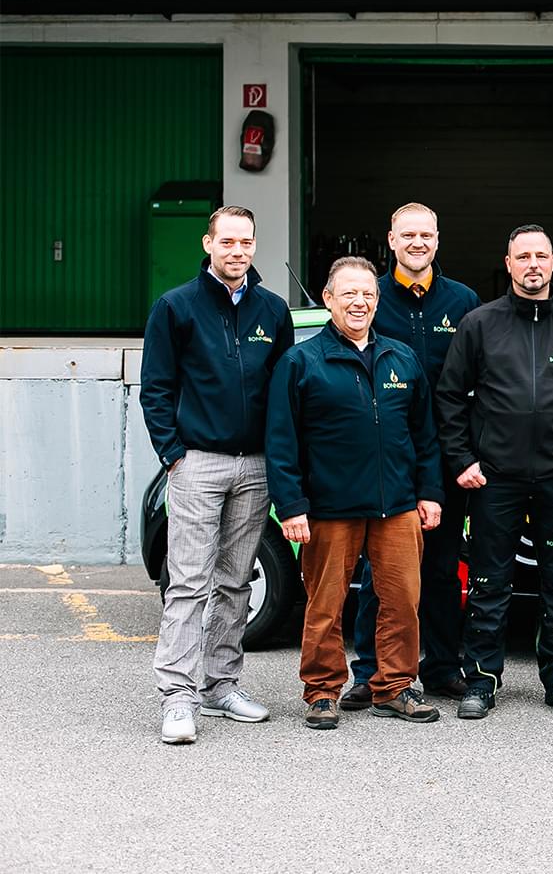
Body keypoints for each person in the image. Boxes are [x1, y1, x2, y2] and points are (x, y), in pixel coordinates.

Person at [435, 224, 553, 719]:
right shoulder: (479, 324)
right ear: (509, 264)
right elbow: (449, 397)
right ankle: (481, 682)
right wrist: (462, 460)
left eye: (541, 255)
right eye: (523, 257)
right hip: (494, 479)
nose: (533, 264)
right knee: (488, 584)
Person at [265, 256, 445, 730]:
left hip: (397, 506)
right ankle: (322, 692)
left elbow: (424, 434)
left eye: (367, 293)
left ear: (378, 300)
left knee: (402, 602)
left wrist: (429, 492)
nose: (359, 302)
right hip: (330, 509)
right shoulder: (300, 362)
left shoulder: (401, 358)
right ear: (328, 299)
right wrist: (291, 506)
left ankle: (395, 687)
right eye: (348, 293)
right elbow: (281, 441)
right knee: (325, 606)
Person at [140, 205, 294, 745]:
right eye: (227, 241)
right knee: (188, 583)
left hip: (255, 466)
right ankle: (177, 697)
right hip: (198, 462)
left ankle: (221, 686)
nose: (237, 251)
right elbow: (156, 387)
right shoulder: (176, 306)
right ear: (208, 244)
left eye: (245, 242)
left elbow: (283, 392)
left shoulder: (272, 310)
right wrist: (173, 454)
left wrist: (277, 456)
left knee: (236, 580)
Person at [341, 203, 479, 712]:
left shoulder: (463, 301)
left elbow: (479, 378)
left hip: (448, 455)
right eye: (408, 235)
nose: (417, 243)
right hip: (388, 459)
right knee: (380, 574)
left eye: (426, 234)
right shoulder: (373, 297)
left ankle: (442, 666)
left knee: (443, 570)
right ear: (392, 240)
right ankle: (370, 672)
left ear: (437, 240)